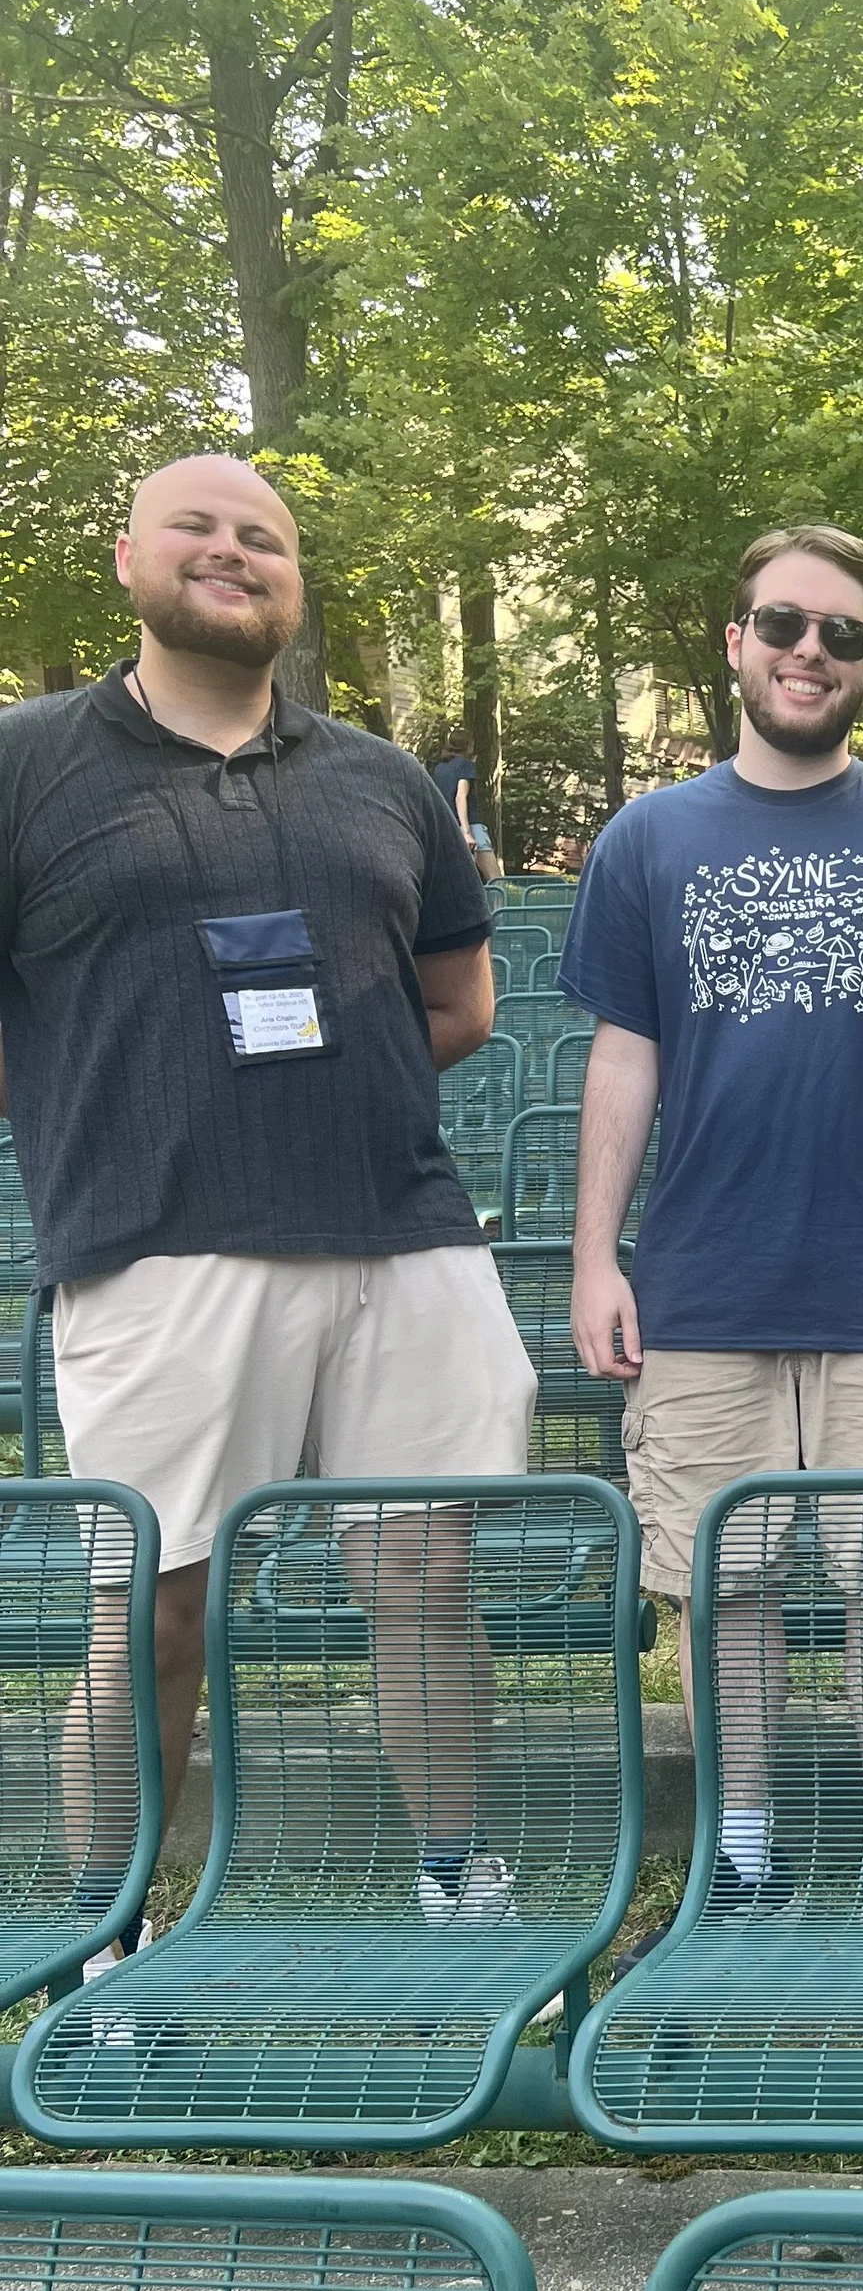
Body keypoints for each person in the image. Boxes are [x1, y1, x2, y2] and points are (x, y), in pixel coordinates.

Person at [0, 452, 535, 1949]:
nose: (232, 553)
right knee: (159, 1608)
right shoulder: (27, 760)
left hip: (402, 1231)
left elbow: (460, 999)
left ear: (296, 582)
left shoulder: (380, 778)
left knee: (424, 1576)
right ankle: (102, 1940)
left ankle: (463, 1882)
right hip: (159, 1245)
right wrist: (109, 1087)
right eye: (198, 528)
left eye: (265, 538)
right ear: (127, 558)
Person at [563, 523, 863, 1921]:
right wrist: (599, 1256)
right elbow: (622, 1061)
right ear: (735, 643)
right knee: (729, 1585)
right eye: (781, 625)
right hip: (705, 1282)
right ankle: (744, 1846)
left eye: (837, 635)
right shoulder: (650, 838)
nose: (806, 652)